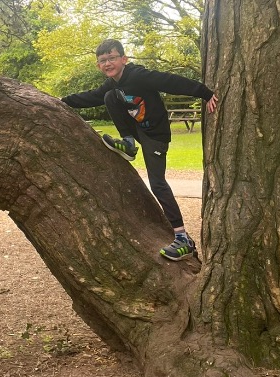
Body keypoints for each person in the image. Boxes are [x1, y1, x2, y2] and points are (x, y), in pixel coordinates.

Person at [61, 39, 219, 261]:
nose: (107, 63)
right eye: (102, 60)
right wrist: (60, 101)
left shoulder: (138, 75)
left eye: (112, 58)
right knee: (108, 96)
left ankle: (183, 238)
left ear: (124, 59)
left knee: (158, 183)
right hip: (138, 131)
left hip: (156, 135)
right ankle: (128, 143)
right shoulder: (112, 85)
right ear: (98, 66)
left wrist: (204, 93)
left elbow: (170, 81)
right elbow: (92, 96)